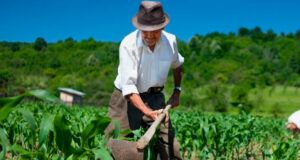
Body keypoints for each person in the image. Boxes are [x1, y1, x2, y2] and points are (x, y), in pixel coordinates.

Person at [106, 1, 184, 159]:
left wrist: (177, 90)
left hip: (155, 98)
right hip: (125, 100)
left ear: (162, 27)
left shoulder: (171, 42)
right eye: (144, 31)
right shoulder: (128, 45)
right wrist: (147, 112)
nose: (148, 35)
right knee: (117, 147)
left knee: (170, 147)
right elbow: (129, 88)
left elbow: (178, 65)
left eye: (153, 31)